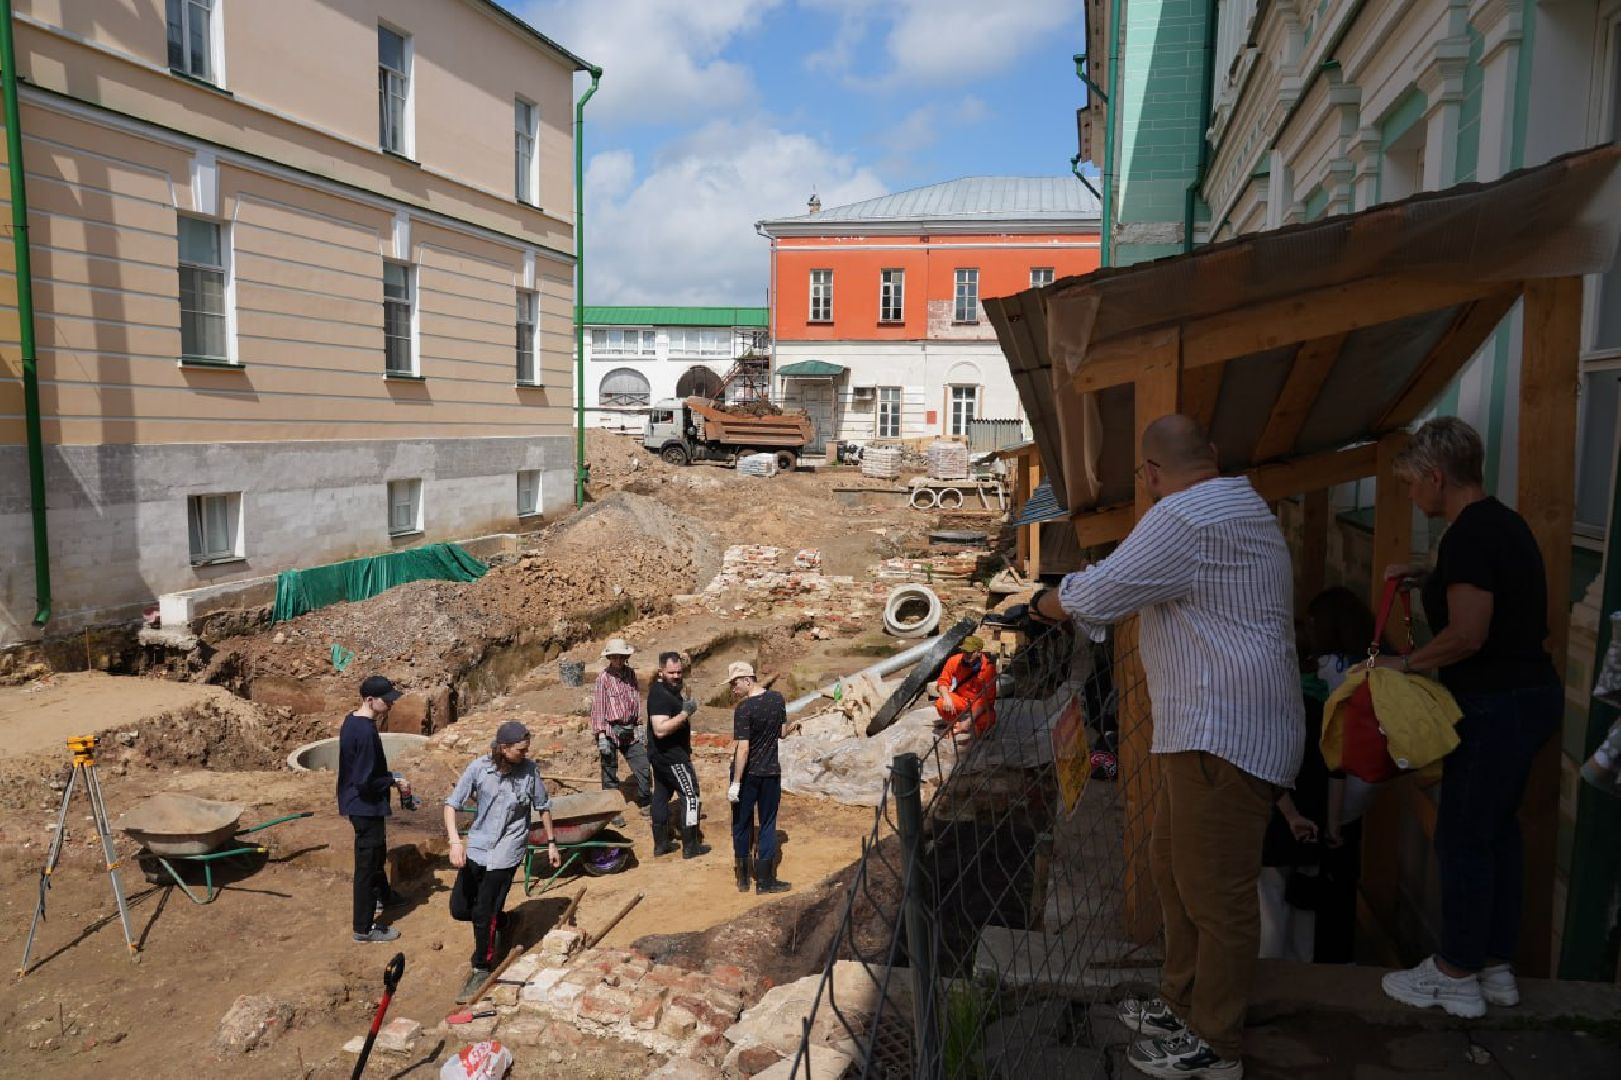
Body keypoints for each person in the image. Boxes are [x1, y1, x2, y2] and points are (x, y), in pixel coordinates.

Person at [1031, 415, 1303, 1079]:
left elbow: (1099, 593)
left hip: (1224, 732)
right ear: (1211, 452)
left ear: (1150, 474)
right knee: (1173, 871)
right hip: (1214, 730)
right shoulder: (1237, 503)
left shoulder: (1183, 517)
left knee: (1216, 895)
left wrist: (1039, 604)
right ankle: (1182, 1002)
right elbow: (1134, 581)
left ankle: (1216, 1043)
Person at [1376, 417, 1561, 1019]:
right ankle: (1494, 966)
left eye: (1412, 483)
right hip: (1529, 697)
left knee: (1461, 835)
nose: (1412, 496)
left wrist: (1405, 664)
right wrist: (1427, 575)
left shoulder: (1468, 538)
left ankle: (1455, 972)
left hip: (1495, 704)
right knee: (1496, 832)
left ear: (1436, 477)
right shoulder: (1502, 523)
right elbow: (1494, 596)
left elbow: (1468, 635)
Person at [443, 720, 560, 1003]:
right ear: (504, 748)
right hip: (478, 847)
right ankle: (502, 921)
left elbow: (543, 807)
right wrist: (455, 842)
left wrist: (551, 843)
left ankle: (481, 968)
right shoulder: (479, 768)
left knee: (484, 911)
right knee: (460, 909)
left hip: (507, 852)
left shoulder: (529, 771)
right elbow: (451, 805)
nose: (525, 753)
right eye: (521, 749)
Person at [1302, 586, 1383, 963]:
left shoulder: (1324, 668)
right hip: (1367, 781)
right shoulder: (1377, 664)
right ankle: (1342, 952)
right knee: (1346, 869)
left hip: (1330, 783)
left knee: (1317, 871)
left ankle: (1317, 954)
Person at [338, 675, 411, 943]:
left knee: (378, 852)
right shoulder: (366, 733)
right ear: (370, 700)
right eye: (386, 700)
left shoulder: (352, 720)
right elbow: (365, 781)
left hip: (358, 802)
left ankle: (384, 896)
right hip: (365, 806)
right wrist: (393, 781)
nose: (391, 704)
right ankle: (363, 928)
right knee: (367, 866)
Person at [726, 661, 790, 895]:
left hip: (748, 775)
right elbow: (782, 733)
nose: (733, 688)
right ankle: (765, 882)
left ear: (747, 680)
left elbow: (743, 749)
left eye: (735, 683)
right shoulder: (778, 699)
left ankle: (743, 879)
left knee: (741, 823)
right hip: (770, 772)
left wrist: (736, 783)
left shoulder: (744, 709)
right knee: (768, 824)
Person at [647, 651, 709, 859]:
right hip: (672, 757)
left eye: (679, 672)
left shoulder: (668, 690)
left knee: (661, 795)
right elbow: (660, 729)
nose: (676, 676)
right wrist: (684, 714)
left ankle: (661, 844)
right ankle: (691, 846)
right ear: (661, 672)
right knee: (691, 796)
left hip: (661, 755)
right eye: (671, 673)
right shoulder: (660, 695)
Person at [591, 638, 651, 818]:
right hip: (610, 730)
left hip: (630, 729)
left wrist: (639, 724)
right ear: (609, 658)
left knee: (643, 766)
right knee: (609, 772)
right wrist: (601, 735)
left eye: (621, 657)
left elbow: (636, 699)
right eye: (614, 657)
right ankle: (612, 809)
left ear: (626, 657)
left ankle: (645, 801)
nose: (617, 660)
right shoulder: (603, 678)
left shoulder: (630, 674)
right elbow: (598, 707)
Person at [935, 635, 998, 738]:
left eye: (970, 652)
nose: (966, 655)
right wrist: (946, 697)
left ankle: (968, 726)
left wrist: (968, 722)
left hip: (979, 703)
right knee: (941, 703)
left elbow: (986, 699)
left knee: (985, 722)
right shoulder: (955, 660)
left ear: (979, 652)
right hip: (962, 699)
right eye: (964, 651)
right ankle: (954, 724)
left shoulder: (988, 668)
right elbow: (943, 681)